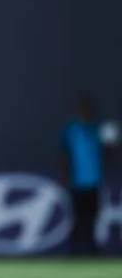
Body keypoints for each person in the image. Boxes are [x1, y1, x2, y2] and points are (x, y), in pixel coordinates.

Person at [60, 96, 107, 255]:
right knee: (77, 218)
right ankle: (74, 250)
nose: (86, 111)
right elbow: (63, 153)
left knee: (93, 217)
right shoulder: (71, 129)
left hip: (94, 182)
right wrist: (66, 175)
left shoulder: (97, 128)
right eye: (83, 108)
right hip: (76, 182)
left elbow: (107, 152)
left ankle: (92, 250)